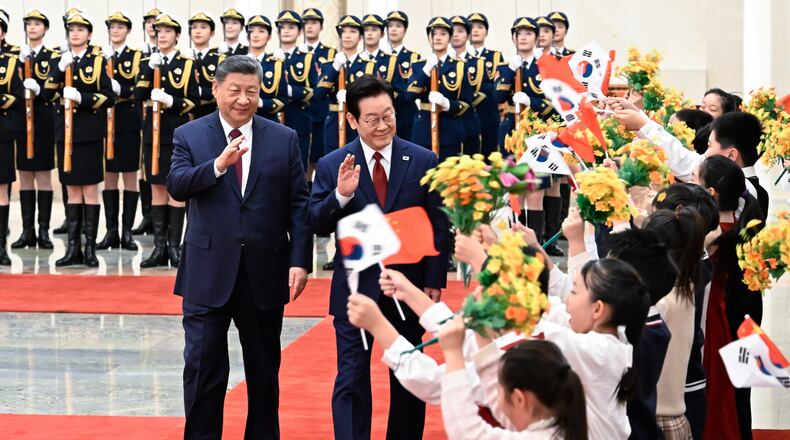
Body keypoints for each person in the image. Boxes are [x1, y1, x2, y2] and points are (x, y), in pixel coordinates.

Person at [167, 55, 311, 439]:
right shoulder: (190, 135)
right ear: (216, 90)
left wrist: (300, 261)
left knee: (264, 375)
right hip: (207, 272)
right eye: (234, 90)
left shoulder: (283, 138)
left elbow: (299, 204)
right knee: (202, 372)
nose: (243, 99)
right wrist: (216, 166)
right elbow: (178, 185)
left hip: (264, 272)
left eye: (252, 91)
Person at [309, 75, 448, 440]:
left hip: (407, 289)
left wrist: (434, 280)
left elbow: (439, 223)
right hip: (356, 292)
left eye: (388, 115)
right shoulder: (333, 163)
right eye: (371, 119)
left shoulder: (422, 159)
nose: (383, 125)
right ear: (352, 120)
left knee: (408, 375)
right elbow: (316, 221)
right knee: (352, 378)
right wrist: (340, 195)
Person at [693, 156, 764, 440]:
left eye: (694, 180)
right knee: (739, 390)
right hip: (745, 316)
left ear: (710, 193)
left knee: (717, 383)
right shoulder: (744, 223)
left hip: (715, 316)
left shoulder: (706, 235)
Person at [42, 11, 114, 267]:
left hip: (90, 135)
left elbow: (109, 97)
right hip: (66, 136)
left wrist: (82, 98)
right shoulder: (61, 62)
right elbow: (47, 96)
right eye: (71, 29)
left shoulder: (97, 63)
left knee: (90, 192)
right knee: (72, 192)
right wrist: (57, 73)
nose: (75, 33)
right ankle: (74, 248)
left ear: (89, 35)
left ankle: (90, 249)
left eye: (81, 29)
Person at [438, 320, 588, 440]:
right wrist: (481, 330)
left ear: (519, 399)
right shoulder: (559, 427)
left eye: (499, 388)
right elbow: (495, 387)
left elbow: (466, 433)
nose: (496, 395)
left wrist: (452, 352)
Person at [134, 14, 199, 268]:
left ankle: (175, 246)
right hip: (153, 133)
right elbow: (137, 94)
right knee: (156, 187)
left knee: (176, 189)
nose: (161, 35)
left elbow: (196, 99)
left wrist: (173, 101)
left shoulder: (187, 64)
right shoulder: (149, 62)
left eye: (167, 31)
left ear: (176, 36)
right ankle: (159, 247)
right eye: (158, 31)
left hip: (177, 133)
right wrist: (150, 68)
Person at [96, 12, 142, 251]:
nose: (115, 30)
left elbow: (140, 87)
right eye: (112, 26)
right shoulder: (99, 56)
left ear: (128, 30)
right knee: (110, 175)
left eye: (120, 27)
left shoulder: (136, 57)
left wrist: (120, 88)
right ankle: (111, 230)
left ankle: (127, 231)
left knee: (130, 175)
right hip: (105, 120)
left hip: (127, 119)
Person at [12, 10, 55, 250]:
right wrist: (19, 63)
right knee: (25, 176)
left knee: (43, 176)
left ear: (45, 29)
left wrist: (38, 89)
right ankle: (27, 230)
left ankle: (43, 230)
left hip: (44, 122)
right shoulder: (16, 57)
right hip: (21, 122)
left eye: (37, 24)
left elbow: (53, 89)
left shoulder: (53, 56)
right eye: (28, 24)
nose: (32, 28)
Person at [405, 16, 475, 160]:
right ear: (429, 38)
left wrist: (447, 104)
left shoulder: (460, 66)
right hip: (423, 132)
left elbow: (467, 103)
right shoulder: (419, 65)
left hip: (450, 131)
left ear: (449, 37)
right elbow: (409, 95)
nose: (437, 38)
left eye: (443, 34)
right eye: (434, 34)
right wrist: (426, 69)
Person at [131, 7, 163, 237]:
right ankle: (148, 214)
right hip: (144, 115)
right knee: (145, 169)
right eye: (149, 23)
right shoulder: (142, 55)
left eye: (156, 23)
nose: (152, 27)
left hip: (165, 117)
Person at [276, 10, 319, 169]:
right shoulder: (271, 58)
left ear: (300, 31)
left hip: (299, 116)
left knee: (299, 166)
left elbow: (313, 91)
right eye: (282, 27)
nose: (286, 31)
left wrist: (288, 90)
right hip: (275, 117)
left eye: (291, 27)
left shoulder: (306, 58)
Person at [302, 7, 336, 180]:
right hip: (300, 112)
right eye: (306, 23)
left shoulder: (330, 53)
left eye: (314, 23)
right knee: (302, 162)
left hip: (320, 113)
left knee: (320, 159)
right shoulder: (296, 53)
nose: (309, 26)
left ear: (321, 27)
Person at [0, 30, 23, 265]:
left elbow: (17, 96)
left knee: (1, 190)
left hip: (1, 133)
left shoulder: (9, 63)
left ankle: (0, 247)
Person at [467, 12, 503, 156]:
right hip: (466, 113)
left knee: (489, 154)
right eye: (471, 27)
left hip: (488, 113)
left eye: (480, 27)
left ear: (486, 32)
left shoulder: (495, 56)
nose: (475, 30)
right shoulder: (459, 58)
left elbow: (497, 87)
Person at [450, 15, 484, 155]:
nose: (456, 35)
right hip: (447, 124)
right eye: (452, 31)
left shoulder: (477, 62)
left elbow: (485, 90)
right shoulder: (438, 63)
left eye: (460, 31)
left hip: (469, 121)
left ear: (468, 35)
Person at [245, 15, 288, 123]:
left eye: (261, 31)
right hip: (241, 122)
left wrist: (262, 103)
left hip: (268, 121)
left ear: (269, 37)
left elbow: (283, 101)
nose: (255, 35)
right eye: (252, 31)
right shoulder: (237, 63)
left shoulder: (276, 65)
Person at [386, 11, 419, 142]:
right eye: (390, 26)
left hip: (405, 113)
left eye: (398, 26)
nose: (393, 29)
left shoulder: (413, 57)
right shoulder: (379, 57)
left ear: (405, 30)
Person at [189, 12, 226, 120]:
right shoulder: (183, 59)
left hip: (210, 113)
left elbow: (223, 89)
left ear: (212, 33)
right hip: (185, 116)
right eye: (194, 27)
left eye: (203, 27)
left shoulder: (219, 59)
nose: (198, 31)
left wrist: (198, 91)